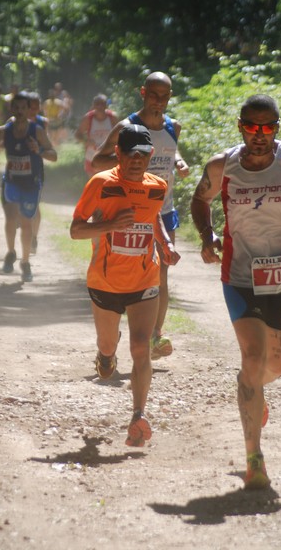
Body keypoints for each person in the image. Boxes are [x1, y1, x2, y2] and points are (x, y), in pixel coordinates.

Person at [190, 94, 281, 490]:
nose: (259, 135)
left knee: (276, 365)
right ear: (240, 125)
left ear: (277, 128)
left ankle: (255, 390)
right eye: (252, 127)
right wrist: (206, 235)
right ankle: (255, 459)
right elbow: (201, 199)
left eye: (267, 128)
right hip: (240, 276)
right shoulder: (222, 166)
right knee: (252, 357)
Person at [70, 124, 180, 447]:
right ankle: (106, 355)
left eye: (143, 155)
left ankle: (138, 415)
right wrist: (109, 225)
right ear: (118, 154)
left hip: (145, 280)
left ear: (149, 156)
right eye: (130, 154)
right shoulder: (101, 184)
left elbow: (154, 216)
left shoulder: (157, 186)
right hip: (105, 282)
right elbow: (76, 230)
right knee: (108, 350)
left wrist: (164, 244)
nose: (137, 161)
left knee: (141, 348)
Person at [92, 71, 189, 360]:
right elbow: (98, 161)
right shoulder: (127, 126)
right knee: (123, 272)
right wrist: (131, 159)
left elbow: (170, 151)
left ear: (170, 97)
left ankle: (155, 337)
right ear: (143, 93)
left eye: (165, 95)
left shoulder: (174, 126)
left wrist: (180, 163)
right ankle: (112, 334)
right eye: (154, 94)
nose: (159, 100)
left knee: (160, 272)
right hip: (127, 211)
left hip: (164, 209)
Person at [0, 92, 57, 282]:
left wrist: (39, 150)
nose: (19, 111)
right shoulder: (4, 130)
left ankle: (25, 262)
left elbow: (54, 155)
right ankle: (11, 252)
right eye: (16, 108)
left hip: (31, 183)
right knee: (11, 217)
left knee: (26, 223)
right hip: (11, 181)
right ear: (11, 109)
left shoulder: (37, 131)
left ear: (29, 110)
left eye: (23, 108)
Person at [75, 94, 118, 178]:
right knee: (93, 181)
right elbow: (78, 134)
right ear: (93, 105)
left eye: (102, 104)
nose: (100, 106)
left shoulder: (112, 117)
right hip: (92, 155)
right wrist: (86, 141)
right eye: (97, 104)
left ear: (106, 105)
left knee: (108, 182)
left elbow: (121, 134)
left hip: (108, 155)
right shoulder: (88, 118)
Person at [28, 92, 49, 254]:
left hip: (36, 167)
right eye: (31, 106)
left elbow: (47, 147)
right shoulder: (14, 122)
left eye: (36, 106)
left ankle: (33, 237)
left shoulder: (43, 123)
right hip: (17, 168)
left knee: (35, 204)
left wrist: (38, 149)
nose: (34, 109)